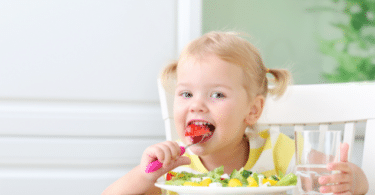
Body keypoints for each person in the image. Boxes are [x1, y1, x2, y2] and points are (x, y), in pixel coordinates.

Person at [102, 32, 369, 195]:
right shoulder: (175, 164)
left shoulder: (277, 151)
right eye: (186, 94)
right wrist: (144, 174)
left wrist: (350, 179)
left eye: (217, 95)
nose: (196, 105)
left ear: (252, 111)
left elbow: (334, 175)